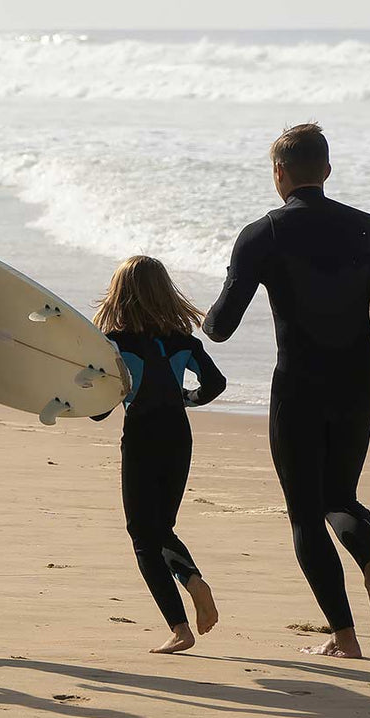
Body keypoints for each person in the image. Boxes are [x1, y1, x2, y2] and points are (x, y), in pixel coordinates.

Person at [203, 124, 370, 658]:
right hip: (357, 383)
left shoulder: (263, 234)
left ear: (279, 173)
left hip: (299, 385)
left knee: (303, 513)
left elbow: (221, 326)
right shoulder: (366, 228)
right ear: (327, 171)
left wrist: (201, 318)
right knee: (342, 497)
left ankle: (343, 636)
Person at [91, 256, 227, 654]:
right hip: (177, 437)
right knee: (161, 527)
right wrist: (185, 398)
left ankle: (181, 623)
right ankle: (192, 583)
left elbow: (100, 409)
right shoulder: (184, 340)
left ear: (119, 296)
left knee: (142, 535)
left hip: (141, 437)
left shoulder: (113, 345)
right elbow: (215, 384)